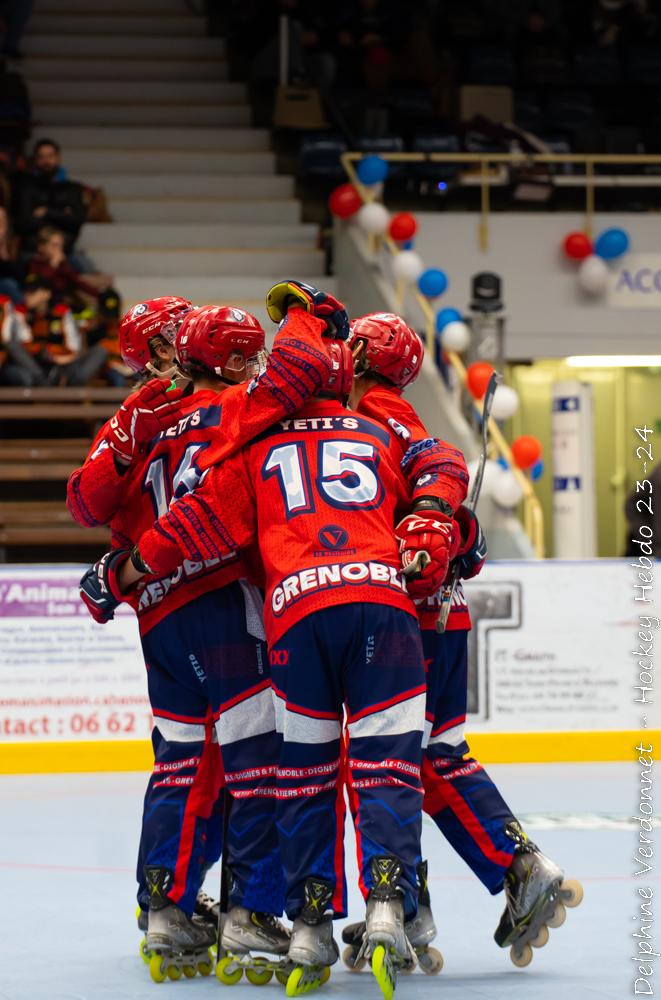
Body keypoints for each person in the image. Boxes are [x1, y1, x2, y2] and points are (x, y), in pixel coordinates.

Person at [106, 304, 463, 1000]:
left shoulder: (251, 441)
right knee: (386, 766)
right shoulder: (379, 429)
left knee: (298, 775)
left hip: (293, 615)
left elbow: (196, 523)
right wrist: (440, 524)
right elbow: (440, 467)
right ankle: (391, 908)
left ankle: (306, 925)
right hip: (379, 601)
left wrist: (121, 575)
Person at [73, 285, 339, 976]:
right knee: (257, 761)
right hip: (220, 595)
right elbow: (290, 380)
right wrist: (308, 318)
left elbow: (82, 500)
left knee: (179, 765)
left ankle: (164, 911)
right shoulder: (230, 409)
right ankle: (248, 913)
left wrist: (127, 441)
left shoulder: (138, 420)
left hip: (157, 613)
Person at [343, 312, 583, 970]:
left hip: (400, 621)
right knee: (429, 754)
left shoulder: (354, 428)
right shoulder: (416, 430)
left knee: (384, 761)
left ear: (357, 357)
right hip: (444, 617)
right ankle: (431, 898)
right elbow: (464, 543)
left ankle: (490, 875)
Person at [14, 138, 87, 255]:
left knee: (90, 272)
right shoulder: (26, 188)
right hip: (34, 252)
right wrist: (63, 215)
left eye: (50, 156)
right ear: (35, 160)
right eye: (41, 157)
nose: (46, 161)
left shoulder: (72, 189)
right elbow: (23, 223)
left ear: (58, 158)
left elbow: (77, 221)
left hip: (65, 252)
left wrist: (47, 212)